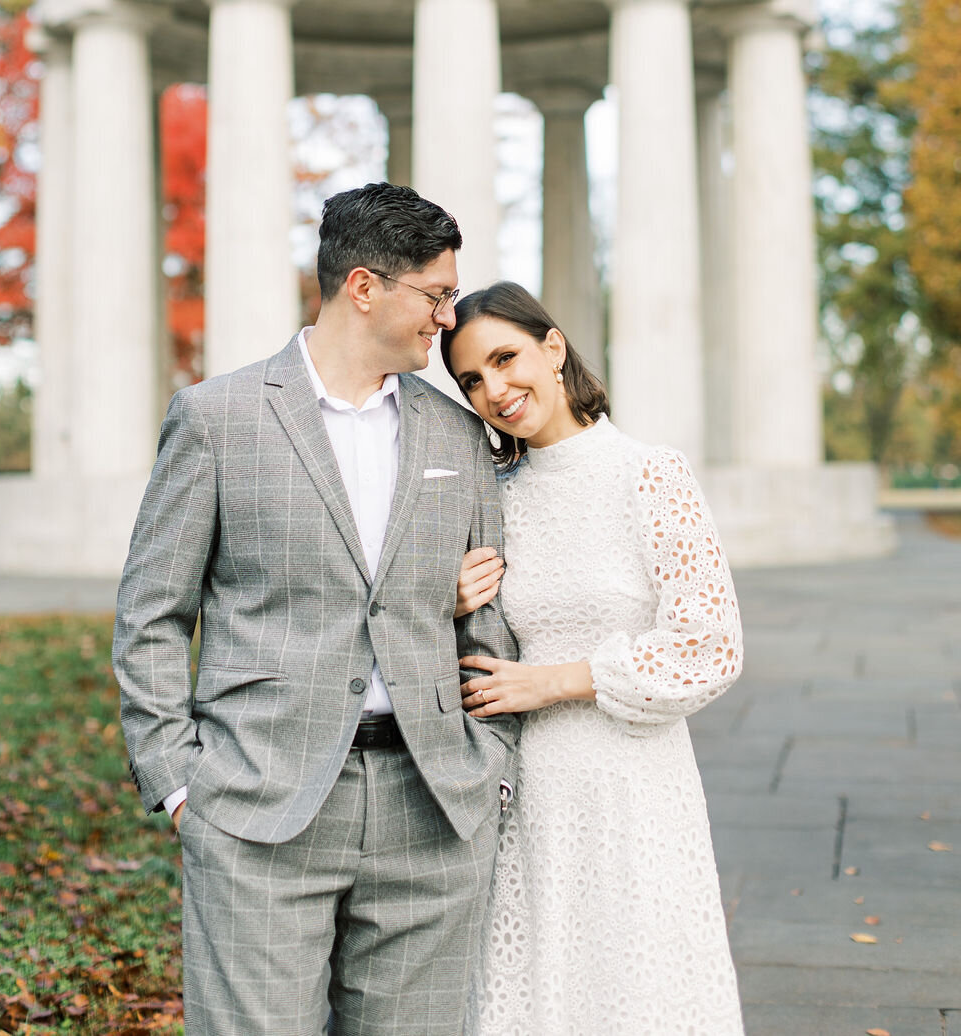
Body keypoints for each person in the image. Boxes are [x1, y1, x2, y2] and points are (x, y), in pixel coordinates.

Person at [113, 185, 519, 1036]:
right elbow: (152, 613)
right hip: (258, 805)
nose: (447, 319)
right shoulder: (217, 418)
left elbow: (486, 623)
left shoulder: (456, 436)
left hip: (433, 807)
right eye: (436, 295)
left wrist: (492, 769)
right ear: (365, 287)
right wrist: (181, 785)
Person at [442, 281, 745, 1036]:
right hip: (525, 794)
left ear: (554, 347)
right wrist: (443, 604)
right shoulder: (490, 496)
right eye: (472, 380)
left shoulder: (651, 474)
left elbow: (711, 646)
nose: (496, 390)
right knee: (533, 994)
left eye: (506, 358)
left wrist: (554, 682)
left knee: (635, 992)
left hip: (634, 784)